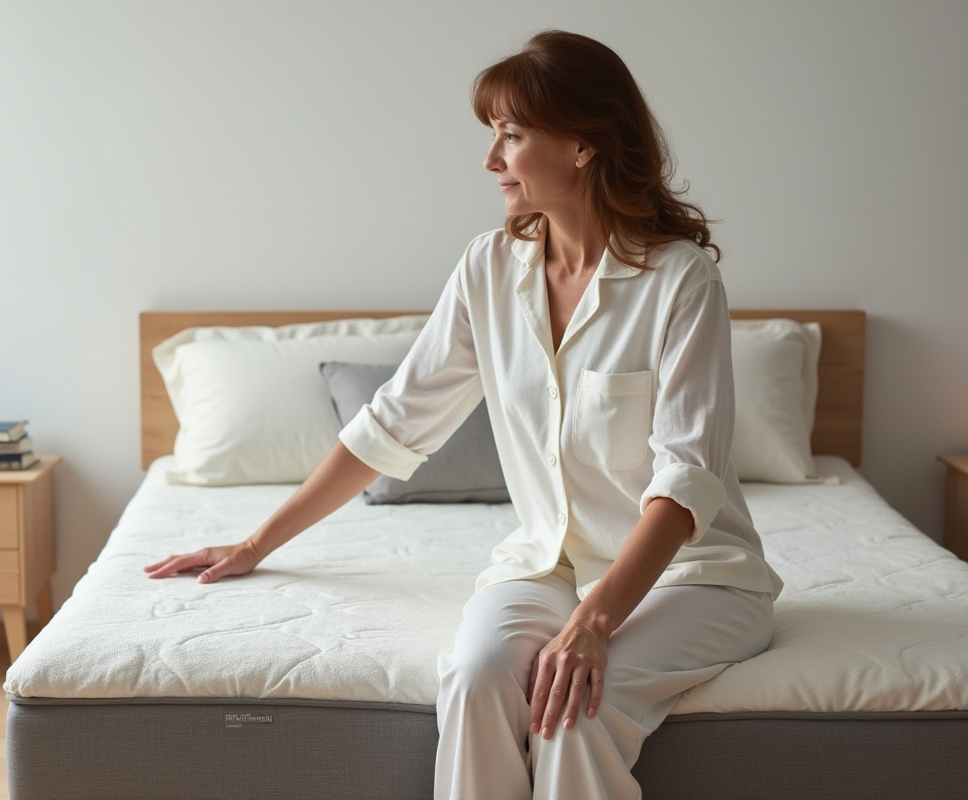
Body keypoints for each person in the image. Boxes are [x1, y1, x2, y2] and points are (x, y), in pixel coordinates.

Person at [144, 29, 783, 800]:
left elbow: (684, 484)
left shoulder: (679, 282)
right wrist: (255, 542)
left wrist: (594, 624)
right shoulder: (488, 268)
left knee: (575, 710)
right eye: (493, 136)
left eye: (512, 136)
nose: (491, 161)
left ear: (582, 144)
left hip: (691, 578)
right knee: (478, 678)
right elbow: (395, 423)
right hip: (548, 562)